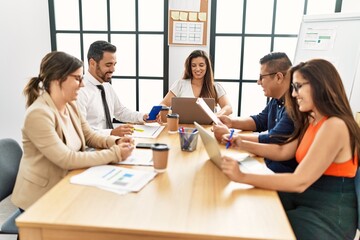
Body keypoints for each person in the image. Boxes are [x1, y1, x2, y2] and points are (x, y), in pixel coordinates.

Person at [221, 59, 360, 239]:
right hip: (307, 197)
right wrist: (240, 143)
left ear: (320, 85)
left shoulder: (335, 125)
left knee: (259, 225)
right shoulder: (312, 120)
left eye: (298, 87)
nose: (293, 94)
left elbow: (299, 181)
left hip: (329, 212)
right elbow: (283, 152)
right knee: (251, 207)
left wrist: (242, 177)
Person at [11, 51, 134, 211]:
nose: (82, 84)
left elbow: (89, 135)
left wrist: (116, 141)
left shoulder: (70, 104)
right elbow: (66, 159)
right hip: (41, 199)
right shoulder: (38, 115)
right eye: (77, 78)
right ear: (57, 80)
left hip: (67, 182)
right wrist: (115, 153)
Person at [213, 52, 297, 173]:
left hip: (281, 169)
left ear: (279, 77)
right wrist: (231, 122)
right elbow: (260, 121)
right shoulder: (276, 99)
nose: (258, 82)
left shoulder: (293, 105)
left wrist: (231, 136)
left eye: (262, 77)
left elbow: (272, 138)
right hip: (268, 160)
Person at [77, 40, 153, 137]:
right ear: (92, 63)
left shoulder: (105, 85)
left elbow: (120, 111)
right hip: (91, 146)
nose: (113, 69)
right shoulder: (80, 90)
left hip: (109, 142)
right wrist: (111, 133)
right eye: (108, 65)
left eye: (114, 64)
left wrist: (143, 117)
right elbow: (81, 130)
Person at [160, 50, 232, 116]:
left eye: (201, 65)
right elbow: (163, 104)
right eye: (194, 65)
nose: (197, 69)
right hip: (182, 126)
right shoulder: (180, 84)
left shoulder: (215, 87)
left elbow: (228, 107)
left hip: (208, 128)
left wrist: (217, 115)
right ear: (190, 67)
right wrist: (170, 112)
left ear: (207, 67)